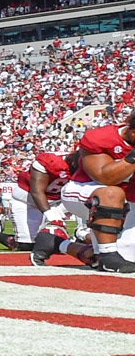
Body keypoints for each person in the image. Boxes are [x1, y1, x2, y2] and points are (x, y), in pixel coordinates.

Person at [63, 111, 135, 273]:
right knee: (112, 193)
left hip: (128, 203)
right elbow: (105, 178)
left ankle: (58, 244)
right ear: (132, 131)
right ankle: (108, 257)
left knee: (128, 254)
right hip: (86, 190)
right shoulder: (102, 137)